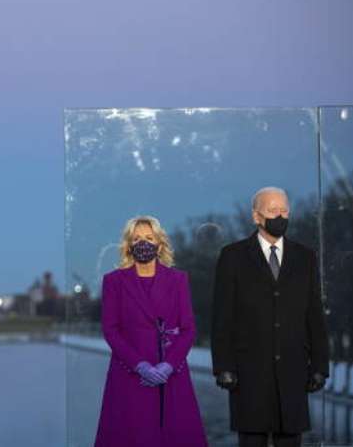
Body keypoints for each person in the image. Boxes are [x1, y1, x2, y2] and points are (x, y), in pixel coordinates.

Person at [211, 187, 329, 447]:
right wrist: (223, 367)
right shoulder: (233, 256)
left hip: (293, 372)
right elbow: (222, 317)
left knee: (290, 440)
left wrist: (320, 365)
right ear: (256, 216)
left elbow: (314, 315)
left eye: (284, 210)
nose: (280, 216)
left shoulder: (305, 257)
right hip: (249, 374)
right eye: (273, 210)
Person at [95, 216, 207, 447]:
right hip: (129, 376)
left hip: (171, 375)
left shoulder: (178, 279)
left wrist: (168, 366)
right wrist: (141, 366)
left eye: (148, 238)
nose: (142, 243)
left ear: (159, 243)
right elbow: (111, 330)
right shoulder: (113, 281)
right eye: (136, 239)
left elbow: (188, 329)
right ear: (128, 245)